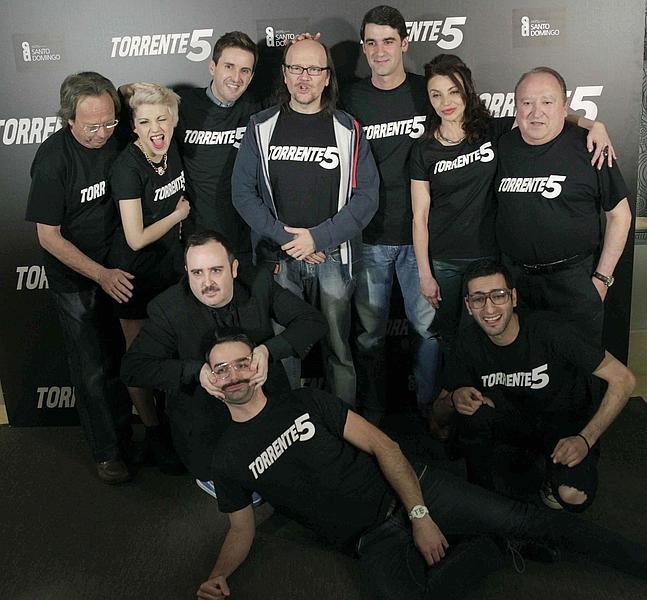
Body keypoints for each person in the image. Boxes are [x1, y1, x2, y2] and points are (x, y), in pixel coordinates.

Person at [196, 331, 647, 600]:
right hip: (370, 540)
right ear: (212, 381)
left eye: (241, 363)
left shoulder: (304, 401)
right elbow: (240, 529)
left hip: (415, 489)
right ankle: (492, 544)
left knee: (529, 520)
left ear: (256, 367)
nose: (233, 374)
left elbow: (386, 446)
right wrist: (218, 574)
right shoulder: (226, 458)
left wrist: (419, 515)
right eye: (222, 369)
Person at [412, 57, 616, 359]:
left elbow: (541, 117)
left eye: (454, 92)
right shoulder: (423, 149)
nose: (447, 102)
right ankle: (454, 387)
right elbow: (419, 216)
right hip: (445, 259)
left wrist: (594, 125)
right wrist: (425, 274)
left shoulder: (491, 130)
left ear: (467, 91)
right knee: (449, 337)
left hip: (491, 256)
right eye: (436, 94)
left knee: (489, 336)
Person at [232, 38, 379, 406]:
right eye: (296, 68)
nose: (304, 77)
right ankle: (290, 425)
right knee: (284, 352)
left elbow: (367, 198)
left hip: (333, 258)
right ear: (284, 74)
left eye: (314, 69)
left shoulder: (348, 130)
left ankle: (343, 424)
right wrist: (287, 239)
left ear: (327, 77)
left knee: (338, 349)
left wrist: (317, 238)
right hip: (278, 259)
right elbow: (242, 193)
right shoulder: (260, 126)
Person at [120, 230, 327, 491]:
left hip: (263, 399)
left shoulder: (259, 283)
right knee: (234, 485)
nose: (207, 282)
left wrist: (268, 351)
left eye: (216, 270)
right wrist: (195, 372)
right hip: (206, 413)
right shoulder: (168, 308)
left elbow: (312, 321)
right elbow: (133, 368)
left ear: (234, 268)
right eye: (197, 273)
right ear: (187, 272)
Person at [436, 258, 635, 511]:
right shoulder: (467, 342)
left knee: (573, 497)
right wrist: (453, 399)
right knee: (473, 416)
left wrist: (585, 439)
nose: (489, 308)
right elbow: (437, 418)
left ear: (513, 298)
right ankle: (485, 492)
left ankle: (545, 476)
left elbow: (624, 379)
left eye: (498, 295)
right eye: (478, 299)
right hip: (513, 426)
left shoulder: (551, 331)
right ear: (468, 306)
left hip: (563, 429)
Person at [25, 72, 133, 483]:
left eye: (109, 123)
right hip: (77, 278)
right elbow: (48, 236)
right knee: (91, 367)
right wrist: (100, 274)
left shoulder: (116, 135)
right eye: (91, 127)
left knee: (123, 358)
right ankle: (107, 453)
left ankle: (130, 436)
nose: (102, 134)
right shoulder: (53, 160)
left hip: (117, 268)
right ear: (68, 119)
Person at [341, 5, 437, 424]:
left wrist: (583, 121)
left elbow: (482, 121)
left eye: (388, 41)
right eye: (372, 42)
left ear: (405, 44)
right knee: (369, 336)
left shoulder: (428, 92)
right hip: (369, 238)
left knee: (428, 333)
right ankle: (373, 414)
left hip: (421, 239)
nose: (380, 51)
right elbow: (299, 108)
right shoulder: (350, 97)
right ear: (363, 47)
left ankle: (432, 411)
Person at [495, 67, 632, 342]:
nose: (536, 112)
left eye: (547, 102)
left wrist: (602, 279)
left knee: (579, 363)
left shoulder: (591, 146)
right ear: (516, 106)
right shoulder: (502, 144)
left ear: (564, 106)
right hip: (516, 283)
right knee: (528, 360)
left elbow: (620, 216)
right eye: (527, 102)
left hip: (574, 282)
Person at [108, 82, 190, 473]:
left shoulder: (171, 148)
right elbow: (136, 238)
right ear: (133, 127)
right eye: (144, 122)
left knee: (174, 351)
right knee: (139, 357)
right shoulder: (127, 167)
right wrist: (178, 216)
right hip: (134, 276)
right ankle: (154, 431)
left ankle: (175, 426)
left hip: (170, 271)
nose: (155, 128)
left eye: (162, 119)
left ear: (173, 120)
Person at [177, 31, 261, 266]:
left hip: (245, 239)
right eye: (229, 67)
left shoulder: (257, 109)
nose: (236, 77)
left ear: (251, 77)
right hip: (197, 239)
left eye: (245, 70)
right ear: (212, 67)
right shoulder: (182, 106)